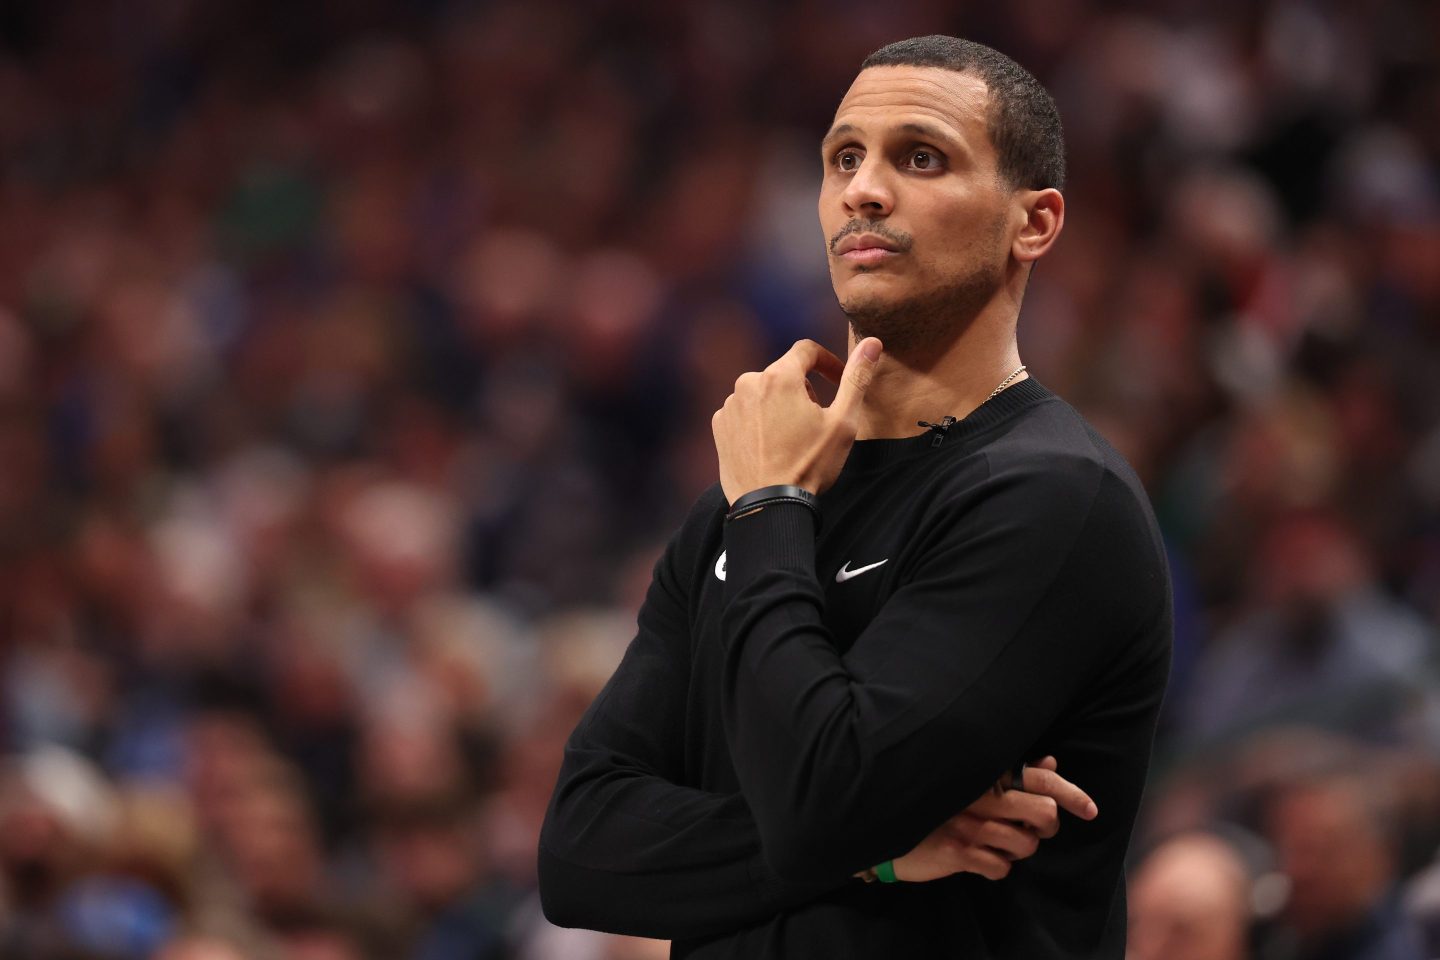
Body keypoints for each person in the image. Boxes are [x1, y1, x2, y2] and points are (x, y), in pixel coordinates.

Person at [538, 34, 1171, 958]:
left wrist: (770, 507)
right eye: (843, 158)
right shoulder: (744, 499)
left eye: (922, 158)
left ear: (1033, 223)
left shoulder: (1055, 497)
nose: (863, 191)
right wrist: (874, 855)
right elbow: (579, 850)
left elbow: (819, 807)